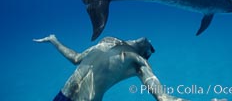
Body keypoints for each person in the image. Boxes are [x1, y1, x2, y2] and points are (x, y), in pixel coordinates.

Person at [34, 34, 187, 101]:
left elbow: (164, 98)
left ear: (146, 52)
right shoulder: (108, 40)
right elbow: (75, 58)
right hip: (62, 96)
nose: (150, 41)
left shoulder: (139, 62)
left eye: (151, 48)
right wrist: (54, 41)